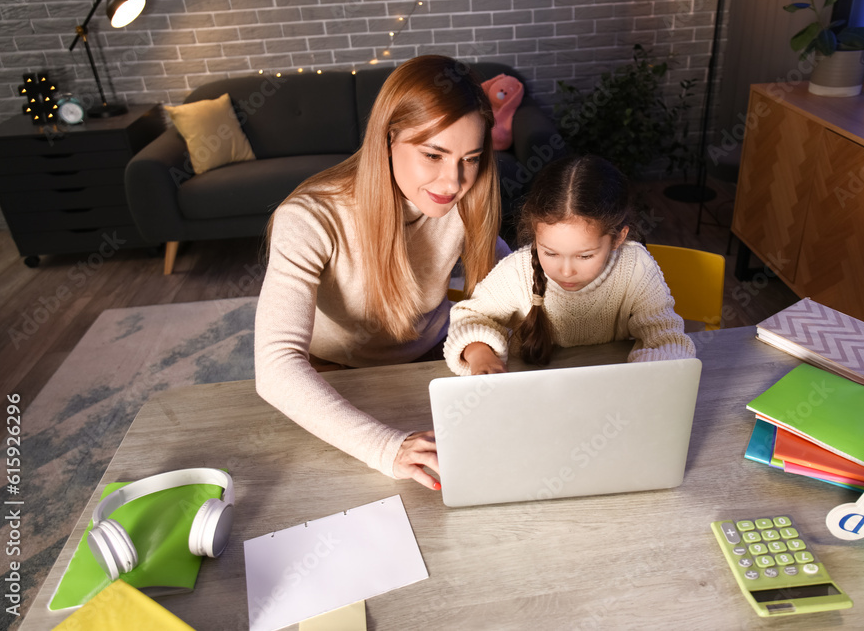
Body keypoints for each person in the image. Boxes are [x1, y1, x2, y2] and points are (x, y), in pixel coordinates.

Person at [255, 55, 505, 490]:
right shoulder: (309, 218)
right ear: (388, 140)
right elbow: (276, 366)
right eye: (433, 154)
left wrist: (483, 345)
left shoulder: (466, 198)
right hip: (336, 372)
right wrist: (383, 447)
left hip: (435, 360)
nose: (453, 182)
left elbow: (507, 280)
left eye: (472, 158)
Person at [444, 154, 696, 375]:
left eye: (585, 256)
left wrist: (658, 370)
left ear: (618, 237)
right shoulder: (518, 272)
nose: (565, 271)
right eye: (550, 253)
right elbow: (470, 317)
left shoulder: (635, 266)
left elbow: (665, 336)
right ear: (535, 233)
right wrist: (480, 354)